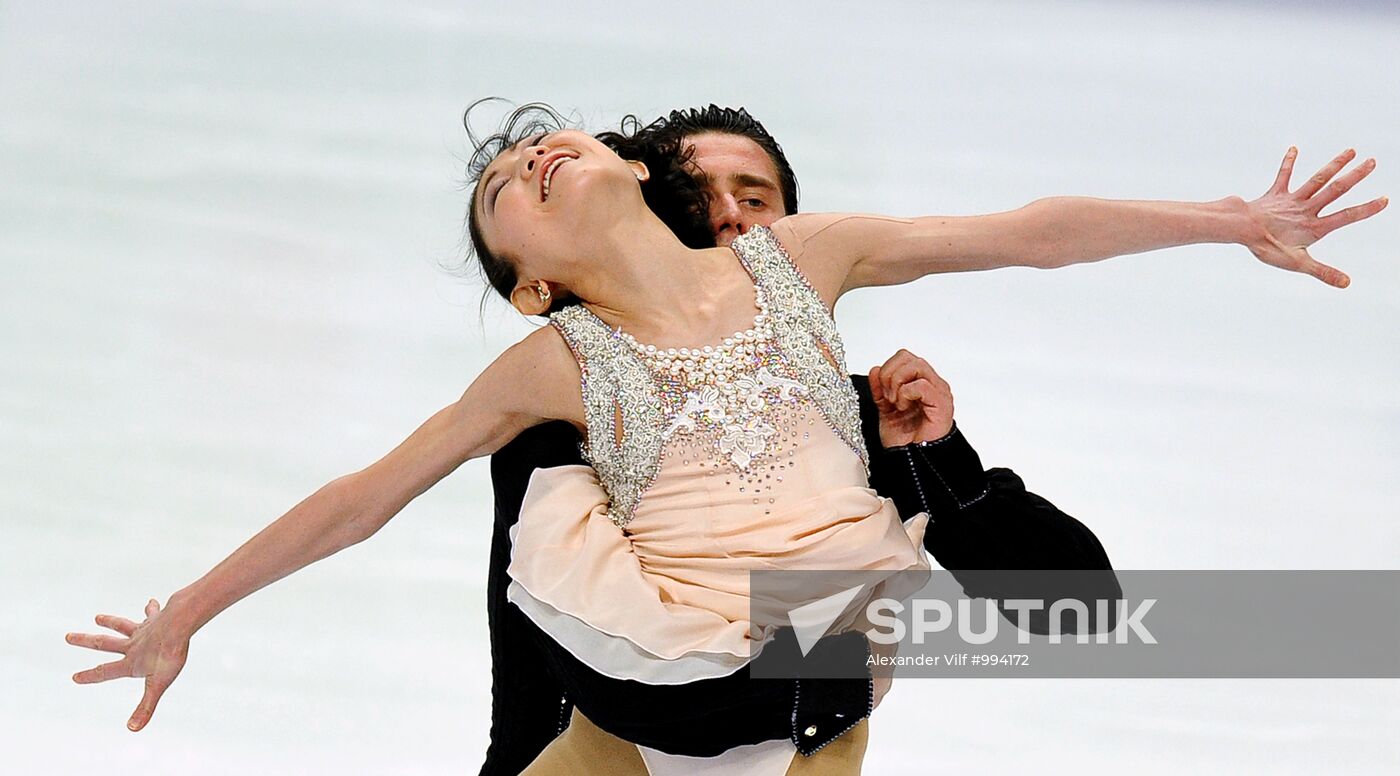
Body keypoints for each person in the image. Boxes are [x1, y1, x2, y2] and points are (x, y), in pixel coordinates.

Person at [66, 102, 1382, 775]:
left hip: (824, 654)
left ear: (642, 174)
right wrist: (188, 609)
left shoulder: (810, 263)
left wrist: (1228, 217)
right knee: (573, 540)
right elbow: (363, 499)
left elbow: (1029, 232)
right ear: (529, 280)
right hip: (663, 684)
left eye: (545, 144)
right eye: (495, 189)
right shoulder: (553, 366)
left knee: (1134, 615)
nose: (526, 159)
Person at [479, 105, 1122, 776]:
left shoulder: (869, 422)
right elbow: (530, 670)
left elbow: (1081, 605)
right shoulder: (564, 426)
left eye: (755, 199)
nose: (730, 216)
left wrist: (941, 461)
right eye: (695, 199)